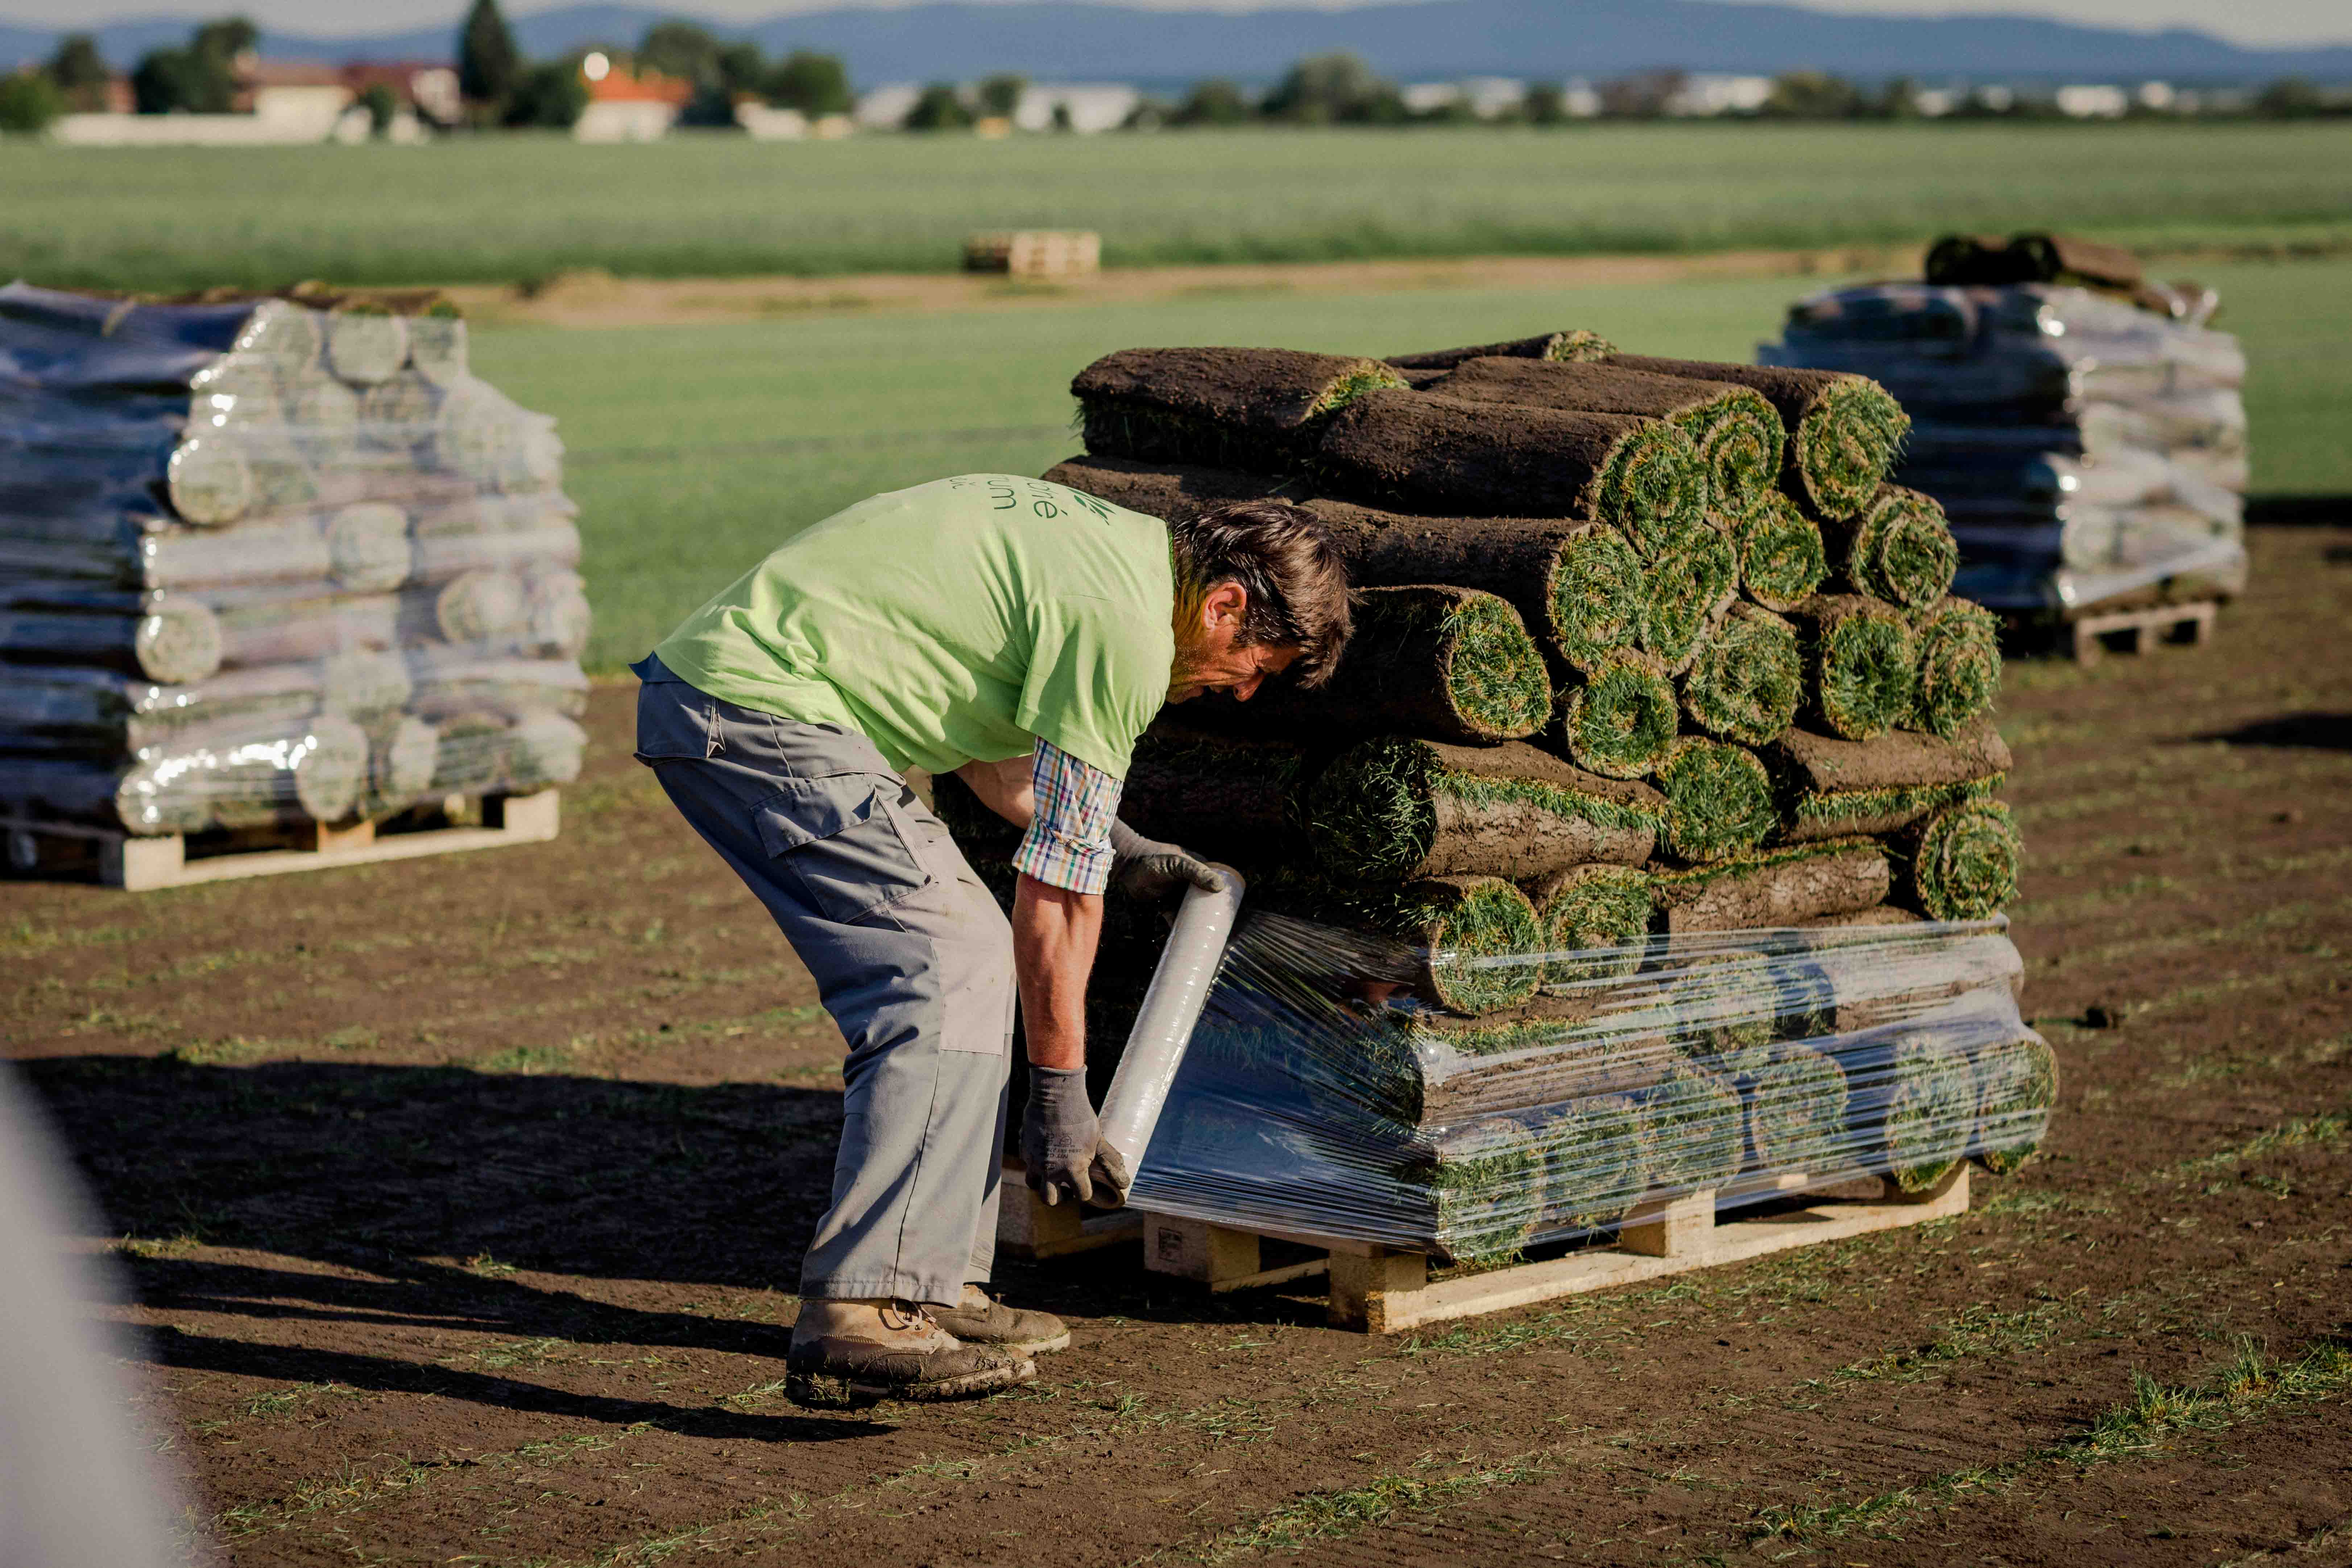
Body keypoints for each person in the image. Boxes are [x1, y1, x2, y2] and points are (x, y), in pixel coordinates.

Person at [632, 473, 1351, 1407]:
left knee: (961, 962)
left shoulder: (1115, 563)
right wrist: (1060, 1090)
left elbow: (983, 742)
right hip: (760, 713)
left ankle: (935, 1286)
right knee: (949, 963)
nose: (1244, 693)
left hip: (743, 704)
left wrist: (1124, 851)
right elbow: (1056, 895)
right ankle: (864, 1307)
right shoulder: (1128, 628)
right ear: (1225, 604)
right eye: (1256, 664)